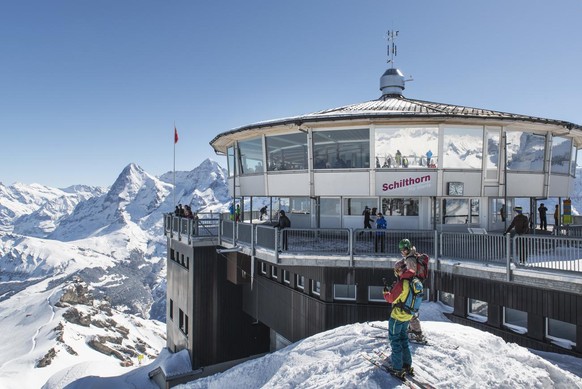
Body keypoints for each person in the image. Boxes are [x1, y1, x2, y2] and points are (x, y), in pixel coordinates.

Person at [383, 260, 416, 380]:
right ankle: (407, 364)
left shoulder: (402, 283)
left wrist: (386, 293)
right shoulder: (414, 280)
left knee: (395, 340)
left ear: (399, 270)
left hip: (397, 316)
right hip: (408, 315)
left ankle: (397, 368)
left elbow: (391, 299)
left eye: (396, 271)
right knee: (403, 339)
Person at [398, 239, 429, 343]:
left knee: (409, 308)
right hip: (415, 287)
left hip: (413, 288)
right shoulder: (412, 255)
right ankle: (413, 328)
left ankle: (418, 333)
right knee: (410, 308)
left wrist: (402, 274)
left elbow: (411, 274)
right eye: (401, 249)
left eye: (404, 249)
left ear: (408, 248)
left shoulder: (410, 259)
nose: (403, 251)